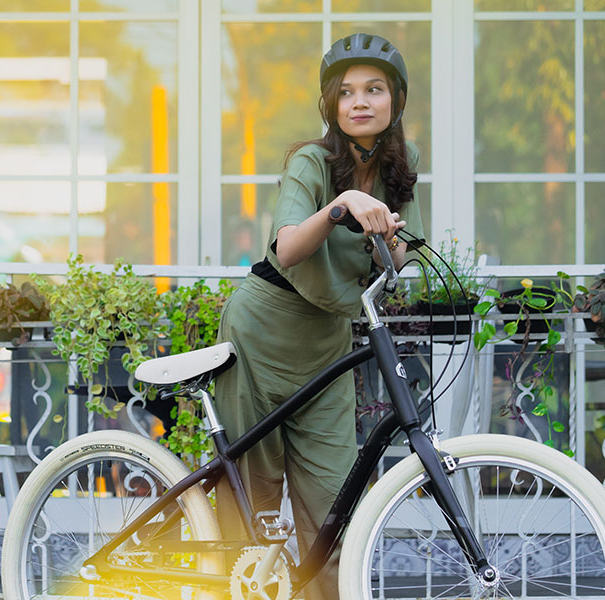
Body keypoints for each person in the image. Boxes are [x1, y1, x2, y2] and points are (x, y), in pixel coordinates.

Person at [215, 32, 426, 599]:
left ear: (395, 101)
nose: (360, 101)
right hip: (262, 330)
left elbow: (403, 258)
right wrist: (340, 207)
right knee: (254, 500)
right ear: (331, 105)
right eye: (347, 92)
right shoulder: (312, 160)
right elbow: (285, 248)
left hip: (328, 344)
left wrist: (395, 241)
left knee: (335, 511)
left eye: (375, 89)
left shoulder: (400, 170)